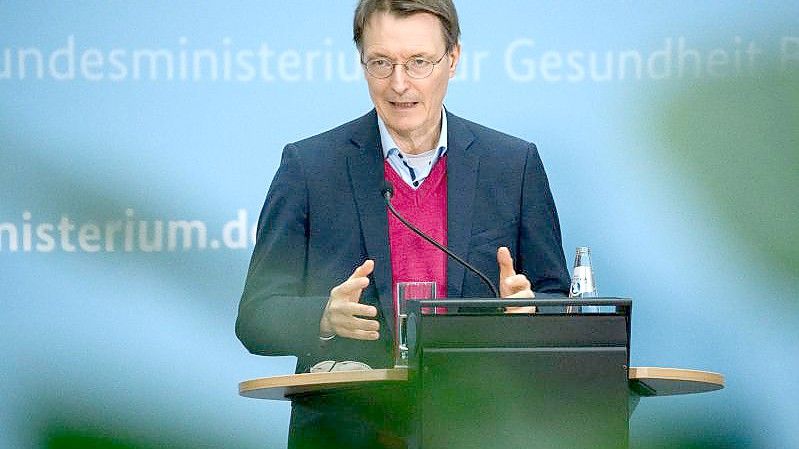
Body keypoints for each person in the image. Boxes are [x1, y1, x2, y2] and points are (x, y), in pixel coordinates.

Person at [236, 1, 570, 447]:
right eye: (381, 63)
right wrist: (323, 317)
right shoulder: (310, 167)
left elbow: (559, 301)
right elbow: (256, 316)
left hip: (480, 427)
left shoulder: (512, 165)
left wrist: (529, 313)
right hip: (349, 429)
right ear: (361, 63)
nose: (399, 84)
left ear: (452, 60)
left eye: (418, 62)